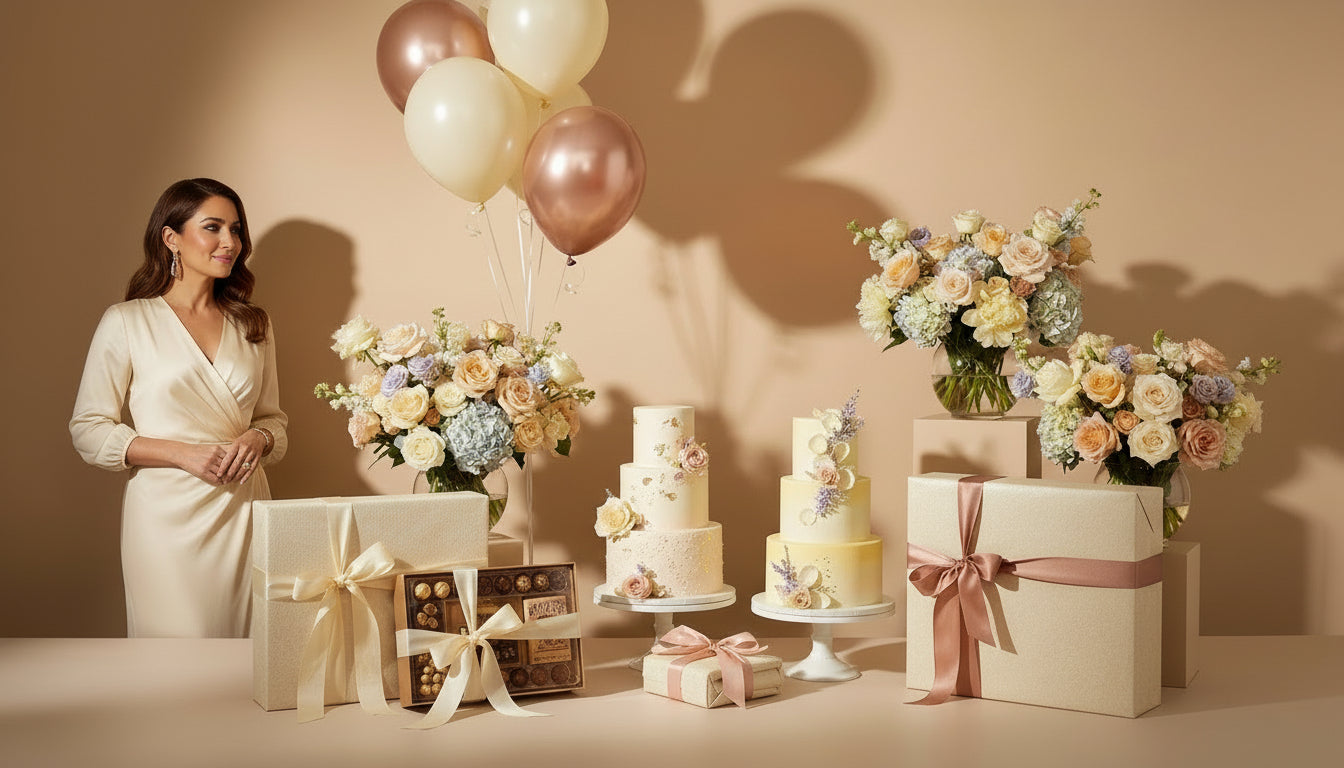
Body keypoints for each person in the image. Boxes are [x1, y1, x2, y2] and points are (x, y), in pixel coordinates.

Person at [70, 178, 287, 638]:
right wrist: (182, 454)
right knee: (173, 656)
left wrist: (258, 437)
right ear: (171, 238)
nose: (230, 242)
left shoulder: (254, 324)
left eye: (236, 229)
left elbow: (273, 421)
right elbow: (88, 430)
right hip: (165, 521)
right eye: (213, 228)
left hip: (244, 512)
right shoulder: (127, 321)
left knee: (248, 658)